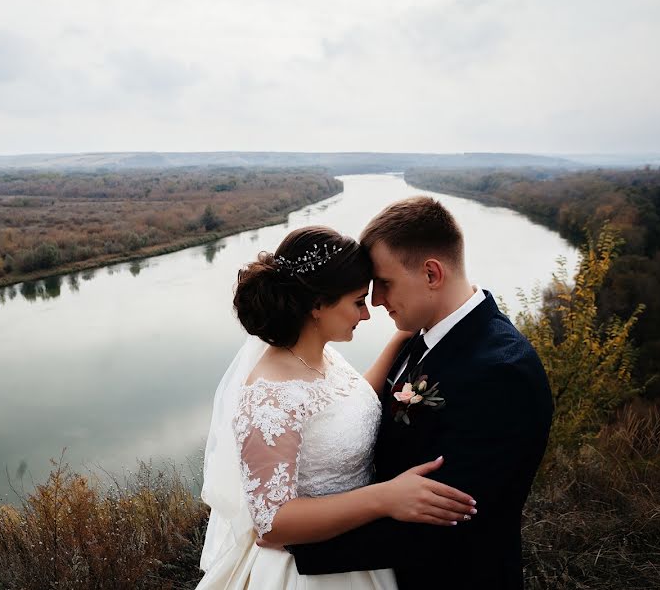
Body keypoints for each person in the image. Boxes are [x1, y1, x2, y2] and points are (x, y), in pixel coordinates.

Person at [286, 197, 554, 589]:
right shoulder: (425, 333)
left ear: (431, 274)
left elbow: (447, 519)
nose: (375, 301)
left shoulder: (501, 372)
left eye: (385, 283)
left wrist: (298, 547)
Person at [197, 225, 478, 590]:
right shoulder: (269, 397)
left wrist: (407, 333)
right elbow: (273, 523)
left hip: (358, 551)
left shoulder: (320, 355)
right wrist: (384, 498)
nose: (366, 314)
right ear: (316, 305)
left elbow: (348, 400)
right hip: (307, 572)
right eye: (358, 301)